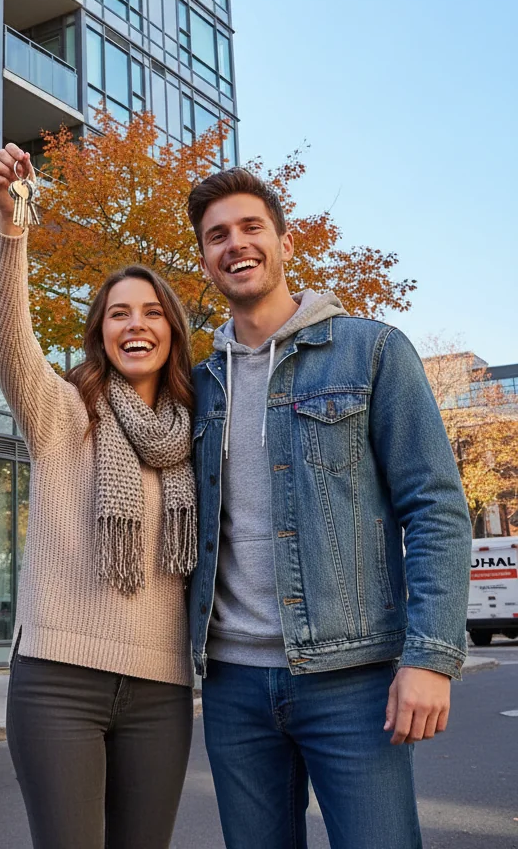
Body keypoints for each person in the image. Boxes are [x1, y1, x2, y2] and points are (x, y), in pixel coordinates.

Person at [185, 168, 471, 849]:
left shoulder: (371, 351)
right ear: (204, 259)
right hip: (231, 684)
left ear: (285, 242)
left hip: (352, 676)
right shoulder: (198, 386)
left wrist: (431, 657)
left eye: (251, 228)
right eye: (216, 235)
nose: (235, 244)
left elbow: (434, 508)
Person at [0, 144, 198, 849]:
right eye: (118, 314)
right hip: (56, 682)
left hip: (161, 688)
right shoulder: (63, 411)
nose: (135, 324)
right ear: (100, 333)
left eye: (151, 313)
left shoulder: (198, 435)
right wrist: (12, 229)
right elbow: (8, 341)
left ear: (172, 330)